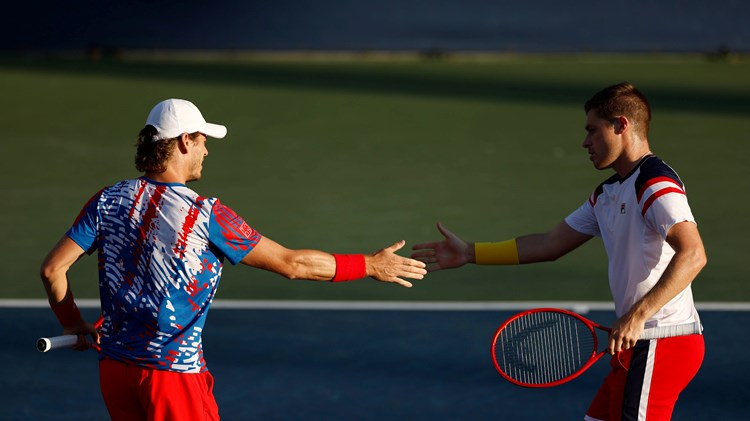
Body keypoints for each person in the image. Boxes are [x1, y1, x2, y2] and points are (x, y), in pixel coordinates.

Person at [40, 98, 427, 420]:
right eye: (203, 140)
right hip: (172, 379)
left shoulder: (108, 199)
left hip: (115, 374)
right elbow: (292, 264)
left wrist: (74, 324)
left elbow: (53, 269)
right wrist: (369, 265)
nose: (207, 149)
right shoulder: (206, 215)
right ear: (184, 142)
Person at [411, 82, 706, 421]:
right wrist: (471, 253)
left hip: (662, 343)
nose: (585, 142)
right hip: (636, 343)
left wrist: (637, 316)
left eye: (592, 130)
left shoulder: (654, 183)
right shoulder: (607, 194)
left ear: (621, 125)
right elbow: (549, 244)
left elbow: (693, 254)